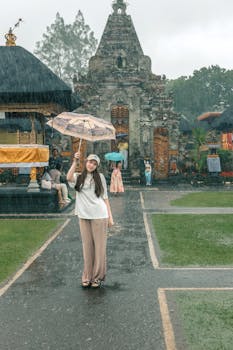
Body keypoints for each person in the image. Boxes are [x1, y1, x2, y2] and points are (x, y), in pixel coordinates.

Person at [66, 153, 114, 289]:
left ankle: (97, 277)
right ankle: (87, 276)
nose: (91, 165)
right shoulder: (78, 177)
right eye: (89, 162)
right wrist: (75, 161)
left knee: (99, 248)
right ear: (85, 162)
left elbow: (105, 198)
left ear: (97, 166)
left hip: (99, 215)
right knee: (87, 247)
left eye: (94, 163)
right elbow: (68, 177)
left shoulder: (100, 178)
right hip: (83, 215)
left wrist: (110, 217)